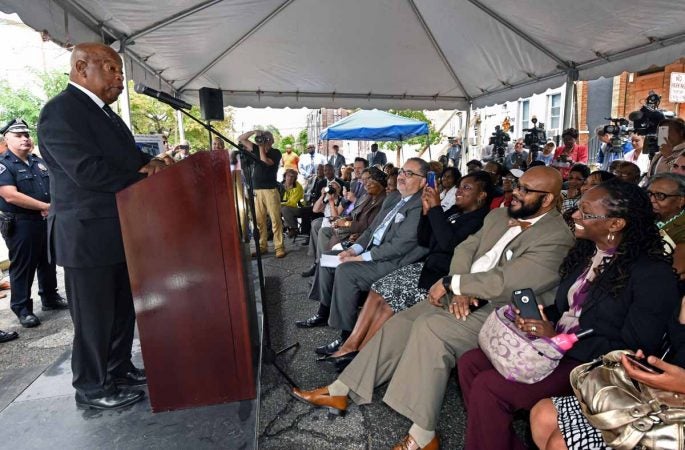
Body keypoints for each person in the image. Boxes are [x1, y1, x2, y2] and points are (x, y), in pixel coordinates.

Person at [291, 166, 575, 449]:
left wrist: (457, 284)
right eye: (517, 185)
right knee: (402, 320)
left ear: (547, 199)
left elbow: (508, 281)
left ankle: (423, 434)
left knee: (431, 329)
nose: (514, 193)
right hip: (465, 295)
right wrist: (459, 287)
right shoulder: (500, 215)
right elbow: (464, 249)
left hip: (503, 312)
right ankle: (342, 389)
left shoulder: (556, 237)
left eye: (525, 190)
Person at [458, 178, 679, 450]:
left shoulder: (651, 275)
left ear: (615, 224)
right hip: (556, 348)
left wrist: (563, 338)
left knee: (490, 387)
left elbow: (636, 347)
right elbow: (568, 309)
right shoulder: (586, 252)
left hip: (593, 366)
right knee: (470, 363)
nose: (574, 214)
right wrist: (536, 317)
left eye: (586, 212)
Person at [38, 42, 170, 410]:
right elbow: (86, 171)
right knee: (95, 318)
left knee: (121, 310)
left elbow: (127, 160)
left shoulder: (104, 115)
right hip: (86, 235)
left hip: (116, 230)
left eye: (121, 72)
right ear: (82, 68)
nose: (120, 80)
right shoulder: (61, 112)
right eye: (112, 70)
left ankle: (118, 367)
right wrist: (141, 175)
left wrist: (153, 162)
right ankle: (92, 386)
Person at [324, 171, 493, 370]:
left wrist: (436, 209)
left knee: (390, 300)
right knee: (378, 289)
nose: (458, 192)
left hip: (442, 277)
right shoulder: (455, 211)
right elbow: (425, 239)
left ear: (481, 195)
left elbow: (449, 244)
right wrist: (426, 212)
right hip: (427, 267)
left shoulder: (480, 220)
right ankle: (351, 345)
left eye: (467, 188)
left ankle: (362, 356)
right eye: (460, 186)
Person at [295, 159, 430, 354]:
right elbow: (371, 229)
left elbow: (401, 246)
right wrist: (353, 250)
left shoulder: (420, 205)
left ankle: (346, 336)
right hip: (371, 251)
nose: (401, 176)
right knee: (329, 258)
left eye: (409, 174)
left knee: (346, 271)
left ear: (424, 181)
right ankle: (323, 312)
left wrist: (360, 258)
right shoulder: (393, 199)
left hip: (394, 261)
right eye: (402, 171)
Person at [531, 294, 685, 450]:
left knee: (560, 444)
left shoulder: (653, 277)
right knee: (543, 415)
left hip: (675, 416)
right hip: (662, 395)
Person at [0, 119, 67, 328]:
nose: (25, 139)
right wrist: (44, 206)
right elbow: (10, 196)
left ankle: (49, 297)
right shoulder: (4, 165)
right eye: (18, 135)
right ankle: (22, 308)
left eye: (26, 135)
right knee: (23, 266)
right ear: (7, 139)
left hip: (45, 220)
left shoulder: (39, 162)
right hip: (21, 223)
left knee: (47, 260)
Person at [239, 129, 287, 258]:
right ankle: (262, 246)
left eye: (267, 137)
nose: (264, 139)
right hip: (257, 190)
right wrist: (255, 132)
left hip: (270, 190)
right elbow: (241, 139)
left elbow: (265, 161)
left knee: (275, 220)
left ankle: (279, 247)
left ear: (272, 140)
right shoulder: (255, 147)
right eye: (264, 137)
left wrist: (260, 147)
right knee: (259, 221)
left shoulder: (276, 153)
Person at [647, 173, 685, 280]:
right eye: (649, 194)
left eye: (660, 196)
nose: (651, 200)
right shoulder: (647, 217)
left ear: (681, 201)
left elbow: (673, 271)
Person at [280, 169, 304, 238]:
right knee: (271, 210)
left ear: (295, 178)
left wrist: (280, 204)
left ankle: (293, 228)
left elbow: (292, 203)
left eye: (292, 176)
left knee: (285, 209)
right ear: (285, 177)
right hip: (282, 207)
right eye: (288, 176)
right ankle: (273, 231)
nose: (290, 178)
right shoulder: (280, 185)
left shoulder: (298, 187)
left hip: (298, 208)